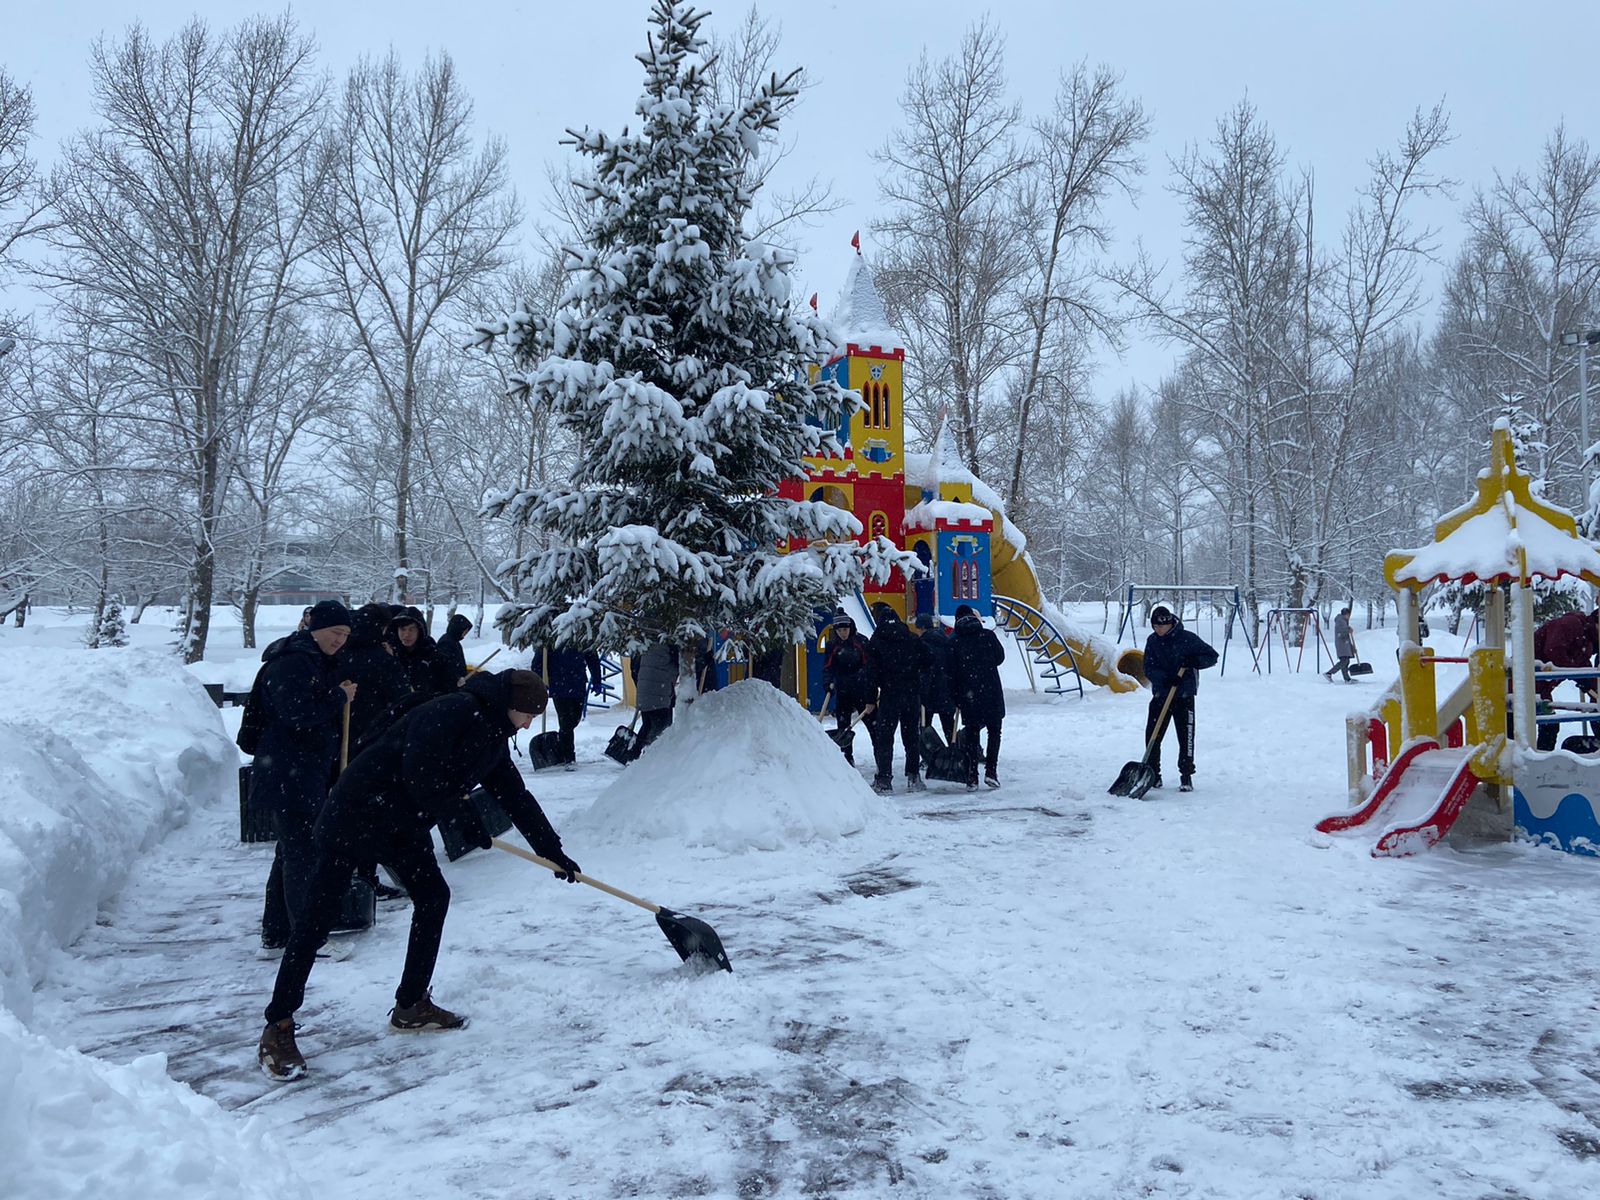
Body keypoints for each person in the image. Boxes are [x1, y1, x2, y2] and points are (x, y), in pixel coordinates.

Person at [257, 668, 581, 1082]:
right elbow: (420, 773)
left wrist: (553, 852)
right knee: (315, 922)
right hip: (355, 815)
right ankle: (278, 1026)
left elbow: (516, 797)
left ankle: (411, 1005)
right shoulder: (452, 711)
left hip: (401, 824)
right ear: (508, 704)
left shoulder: (493, 737)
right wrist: (464, 819)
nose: (530, 723)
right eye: (528, 714)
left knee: (433, 897)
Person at [250, 600, 357, 951]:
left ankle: (278, 931)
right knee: (303, 855)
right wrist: (338, 696)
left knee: (290, 852)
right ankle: (305, 939)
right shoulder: (294, 661)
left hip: (300, 771)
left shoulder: (312, 659)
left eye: (345, 635)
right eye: (335, 632)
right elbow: (296, 713)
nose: (340, 640)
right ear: (315, 628)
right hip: (288, 772)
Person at [1140, 604, 1219, 793]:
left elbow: (1212, 656)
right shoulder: (1152, 641)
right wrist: (1165, 678)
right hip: (1161, 694)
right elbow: (1148, 667)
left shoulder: (1187, 639)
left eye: (1161, 626)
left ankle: (1186, 775)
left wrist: (1193, 662)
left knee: (1186, 737)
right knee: (1153, 734)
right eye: (1154, 627)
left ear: (1169, 624)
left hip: (1184, 695)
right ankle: (1153, 774)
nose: (1158, 630)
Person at [865, 602, 930, 794]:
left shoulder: (876, 641)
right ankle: (913, 777)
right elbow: (929, 659)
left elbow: (871, 673)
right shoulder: (910, 638)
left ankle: (884, 779)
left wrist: (870, 698)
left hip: (889, 695)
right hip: (911, 694)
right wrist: (918, 679)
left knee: (885, 738)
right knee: (911, 736)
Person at [949, 605, 1006, 789]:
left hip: (968, 695)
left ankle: (972, 775)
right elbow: (999, 658)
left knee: (972, 735)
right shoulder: (988, 636)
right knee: (994, 732)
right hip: (991, 691)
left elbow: (951, 673)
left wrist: (956, 696)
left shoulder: (955, 642)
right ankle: (991, 771)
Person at [1533, 608, 1599, 751]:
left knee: (1549, 726)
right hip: (1521, 683)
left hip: (1540, 689)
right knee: (1523, 725)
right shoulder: (1572, 624)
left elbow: (1584, 668)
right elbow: (1553, 649)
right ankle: (1528, 763)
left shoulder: (1586, 644)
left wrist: (1593, 687)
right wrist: (1576, 674)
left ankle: (1542, 761)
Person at [822, 613, 873, 765]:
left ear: (850, 628)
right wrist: (828, 683)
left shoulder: (861, 641)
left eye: (845, 630)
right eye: (839, 631)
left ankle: (880, 757)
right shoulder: (833, 645)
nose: (842, 633)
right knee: (843, 726)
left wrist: (862, 678)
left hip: (861, 690)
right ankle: (847, 758)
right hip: (843, 690)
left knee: (872, 725)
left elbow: (869, 665)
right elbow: (827, 667)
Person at [544, 644, 605, 767]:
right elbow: (540, 660)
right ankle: (568, 756)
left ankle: (561, 744)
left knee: (574, 719)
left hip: (578, 683)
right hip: (558, 685)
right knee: (566, 722)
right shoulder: (551, 638)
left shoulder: (580, 634)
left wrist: (597, 679)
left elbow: (591, 656)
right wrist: (541, 681)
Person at [914, 613, 957, 744]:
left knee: (925, 725)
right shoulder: (947, 641)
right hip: (946, 690)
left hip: (929, 691)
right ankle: (954, 752)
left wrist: (921, 690)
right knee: (949, 725)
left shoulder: (922, 645)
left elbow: (924, 670)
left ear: (921, 628)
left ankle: (929, 754)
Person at [632, 641, 677, 755]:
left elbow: (634, 670)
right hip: (659, 697)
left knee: (647, 725)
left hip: (645, 695)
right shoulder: (668, 650)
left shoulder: (646, 647)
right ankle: (653, 758)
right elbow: (675, 670)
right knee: (661, 731)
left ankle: (634, 754)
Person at [387, 606, 440, 697]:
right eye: (403, 629)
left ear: (419, 631)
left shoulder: (432, 654)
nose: (407, 634)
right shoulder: (391, 653)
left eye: (412, 629)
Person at [433, 613, 473, 692]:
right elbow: (444, 665)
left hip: (455, 685)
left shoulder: (454, 641)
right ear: (458, 629)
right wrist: (457, 678)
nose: (465, 634)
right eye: (464, 631)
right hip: (447, 687)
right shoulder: (446, 642)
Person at [1324, 606, 1358, 683]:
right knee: (1344, 661)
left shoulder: (1343, 621)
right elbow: (1341, 632)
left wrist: (1352, 648)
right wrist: (1348, 629)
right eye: (1348, 615)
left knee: (1345, 661)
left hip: (1344, 644)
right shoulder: (1340, 621)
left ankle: (1347, 679)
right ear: (1346, 614)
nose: (1349, 617)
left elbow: (1345, 634)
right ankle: (1329, 673)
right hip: (1342, 644)